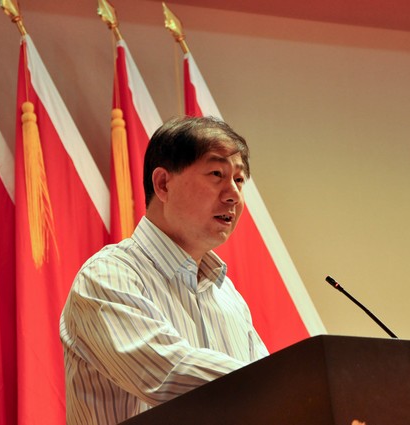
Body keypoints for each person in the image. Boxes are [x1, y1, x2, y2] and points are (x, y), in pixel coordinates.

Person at [60, 116, 269, 425]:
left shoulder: (229, 298)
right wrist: (290, 384)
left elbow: (271, 399)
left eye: (239, 180)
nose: (234, 195)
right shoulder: (106, 276)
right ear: (163, 184)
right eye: (217, 174)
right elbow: (168, 373)